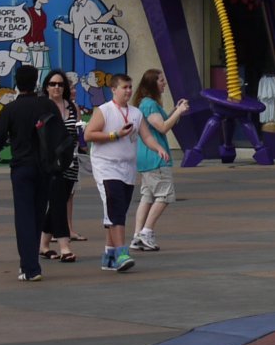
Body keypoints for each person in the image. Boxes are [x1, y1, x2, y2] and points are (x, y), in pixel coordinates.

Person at [0, 62, 64, 282]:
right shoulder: (47, 105)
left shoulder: (11, 109)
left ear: (17, 84)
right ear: (37, 81)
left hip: (22, 167)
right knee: (38, 214)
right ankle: (30, 264)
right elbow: (60, 134)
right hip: (45, 167)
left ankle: (30, 267)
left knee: (24, 217)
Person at [84, 74, 165, 272]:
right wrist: (115, 134)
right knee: (115, 207)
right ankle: (122, 253)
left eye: (130, 87)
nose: (128, 91)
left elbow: (146, 136)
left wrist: (158, 148)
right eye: (124, 87)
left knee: (116, 211)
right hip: (106, 166)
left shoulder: (136, 113)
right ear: (114, 89)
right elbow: (89, 134)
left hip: (127, 168)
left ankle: (109, 256)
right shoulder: (104, 110)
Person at [130, 68, 191, 252]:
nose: (164, 83)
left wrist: (175, 111)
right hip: (156, 157)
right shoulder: (149, 104)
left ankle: (137, 235)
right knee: (164, 195)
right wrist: (179, 111)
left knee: (147, 196)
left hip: (147, 157)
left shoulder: (147, 104)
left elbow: (163, 122)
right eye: (161, 80)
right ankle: (146, 232)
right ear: (152, 84)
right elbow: (162, 127)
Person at [39, 70, 83, 262]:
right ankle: (65, 247)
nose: (56, 87)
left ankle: (43, 245)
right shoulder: (42, 107)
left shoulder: (72, 106)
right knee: (58, 203)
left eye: (60, 84)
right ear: (46, 87)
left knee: (60, 200)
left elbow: (77, 131)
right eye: (52, 84)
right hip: (50, 164)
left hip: (71, 161)